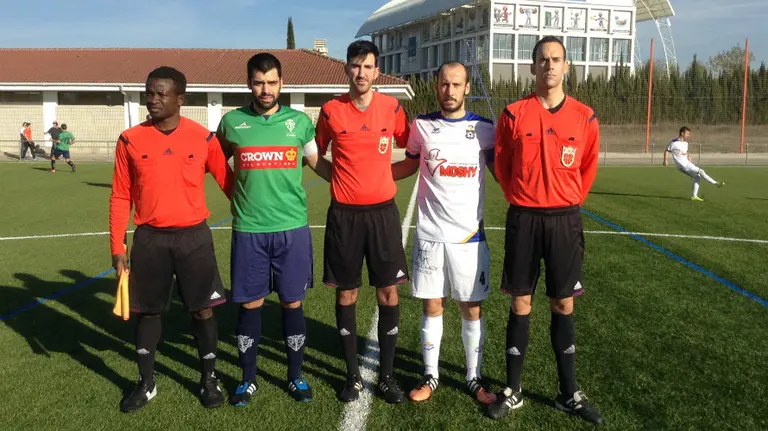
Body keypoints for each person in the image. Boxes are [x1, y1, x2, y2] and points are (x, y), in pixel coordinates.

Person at [488, 36, 602, 425]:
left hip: (564, 220)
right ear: (533, 66)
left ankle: (568, 392)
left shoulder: (585, 116)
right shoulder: (513, 113)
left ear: (566, 67)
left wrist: (566, 199)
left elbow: (587, 168)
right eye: (542, 59)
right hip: (524, 218)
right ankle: (513, 390)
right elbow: (502, 164)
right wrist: (523, 196)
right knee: (521, 302)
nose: (549, 65)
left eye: (556, 59)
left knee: (563, 303)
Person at [109, 66, 233, 413]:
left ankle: (209, 378)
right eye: (149, 92)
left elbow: (230, 183)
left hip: (194, 238)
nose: (153, 99)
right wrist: (117, 247)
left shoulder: (204, 139)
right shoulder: (130, 139)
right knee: (147, 313)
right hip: (150, 240)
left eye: (161, 93)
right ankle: (146, 383)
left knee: (204, 310)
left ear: (181, 99)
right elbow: (120, 196)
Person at [216, 53, 331, 406]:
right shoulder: (232, 122)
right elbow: (215, 161)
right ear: (249, 83)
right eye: (258, 82)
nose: (265, 89)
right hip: (250, 229)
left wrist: (353, 180)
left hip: (291, 228)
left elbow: (316, 164)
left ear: (282, 82)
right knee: (250, 304)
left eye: (272, 82)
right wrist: (235, 191)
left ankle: (295, 376)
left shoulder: (300, 123)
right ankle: (247, 379)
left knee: (292, 301)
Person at [390, 61, 497, 405]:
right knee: (432, 305)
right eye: (443, 84)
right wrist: (370, 175)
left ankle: (472, 378)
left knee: (471, 308)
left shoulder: (484, 129)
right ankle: (431, 376)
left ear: (467, 88)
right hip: (430, 235)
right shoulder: (421, 126)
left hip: (469, 237)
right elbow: (408, 164)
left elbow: (502, 172)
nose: (449, 91)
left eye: (456, 84)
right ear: (436, 87)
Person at [315, 40, 410, 404]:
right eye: (355, 66)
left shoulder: (392, 108)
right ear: (346, 69)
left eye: (368, 66)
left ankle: (386, 376)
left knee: (388, 291)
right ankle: (353, 375)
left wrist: (387, 178)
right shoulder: (330, 111)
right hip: (344, 216)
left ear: (377, 70)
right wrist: (338, 178)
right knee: (347, 291)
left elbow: (413, 151)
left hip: (383, 215)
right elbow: (314, 155)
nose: (361, 73)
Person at [663, 126, 724, 201]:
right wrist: (665, 160)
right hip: (683, 165)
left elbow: (684, 152)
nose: (688, 135)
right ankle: (716, 183)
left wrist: (688, 155)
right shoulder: (674, 142)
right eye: (687, 133)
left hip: (685, 164)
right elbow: (667, 150)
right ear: (682, 133)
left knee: (697, 177)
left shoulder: (685, 143)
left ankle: (694, 196)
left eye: (689, 133)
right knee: (701, 171)